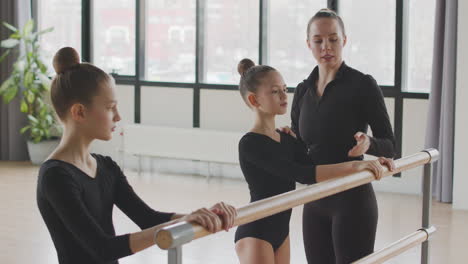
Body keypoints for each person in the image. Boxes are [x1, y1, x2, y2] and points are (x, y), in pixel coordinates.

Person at [36, 47, 237, 264]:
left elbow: (148, 218)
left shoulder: (106, 166)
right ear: (79, 112)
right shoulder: (56, 176)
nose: (118, 116)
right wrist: (184, 221)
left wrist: (200, 216)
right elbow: (102, 248)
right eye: (110, 107)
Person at [234, 58, 394, 264]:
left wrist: (375, 157)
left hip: (281, 232)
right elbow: (304, 173)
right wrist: (356, 166)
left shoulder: (286, 138)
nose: (284, 96)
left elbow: (312, 164)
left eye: (284, 89)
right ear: (254, 100)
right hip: (255, 232)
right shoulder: (250, 144)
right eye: (275, 91)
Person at [283, 8, 396, 263]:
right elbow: (300, 148)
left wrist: (370, 143)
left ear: (344, 41)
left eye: (333, 39)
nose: (326, 46)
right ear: (308, 43)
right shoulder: (302, 90)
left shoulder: (363, 85)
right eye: (318, 40)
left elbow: (391, 145)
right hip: (314, 200)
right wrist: (284, 138)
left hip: (353, 200)